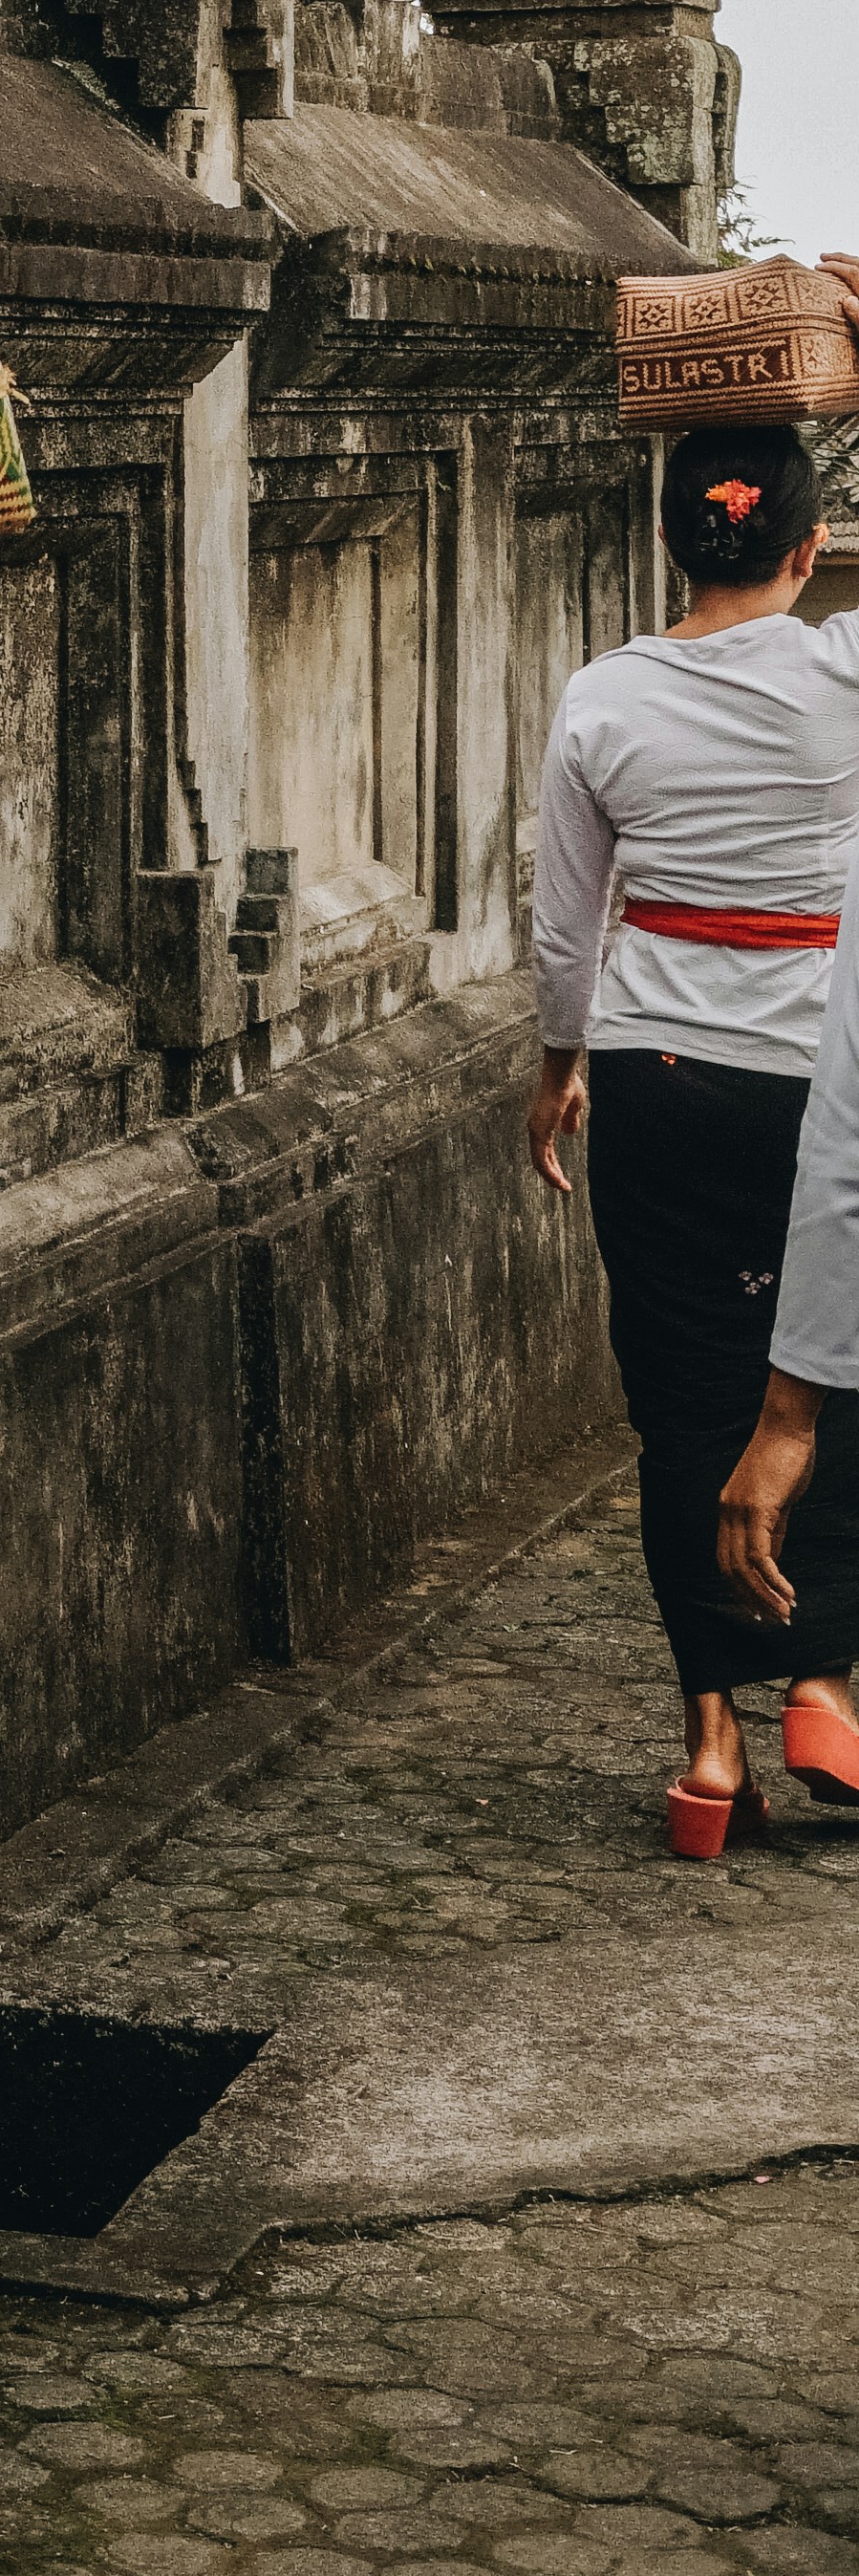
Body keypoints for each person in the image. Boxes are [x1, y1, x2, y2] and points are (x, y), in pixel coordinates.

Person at [528, 418, 859, 1852]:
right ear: (811, 549)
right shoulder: (845, 674)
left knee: (681, 1395)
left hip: (657, 1070)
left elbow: (565, 916)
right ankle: (829, 1688)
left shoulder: (605, 695)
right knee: (826, 1370)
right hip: (820, 1069)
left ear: (668, 541)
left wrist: (558, 1066)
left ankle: (710, 1747)